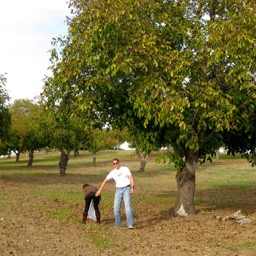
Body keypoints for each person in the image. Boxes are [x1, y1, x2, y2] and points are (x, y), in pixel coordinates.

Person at [96, 158, 134, 229]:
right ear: (113, 165)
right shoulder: (112, 172)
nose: (116, 164)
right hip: (118, 190)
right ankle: (117, 224)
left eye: (116, 163)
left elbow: (131, 178)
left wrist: (132, 187)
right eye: (114, 163)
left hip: (126, 189)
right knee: (116, 208)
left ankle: (130, 224)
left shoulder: (125, 169)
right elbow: (105, 181)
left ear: (119, 163)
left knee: (127, 207)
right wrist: (100, 190)